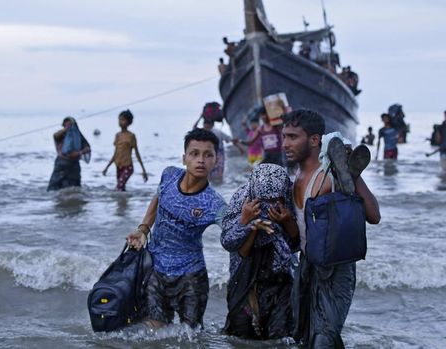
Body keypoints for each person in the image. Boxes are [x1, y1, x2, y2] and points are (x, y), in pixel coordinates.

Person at [282, 109, 380, 348]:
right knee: (304, 337)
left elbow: (374, 215)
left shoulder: (331, 175)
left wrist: (351, 177)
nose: (285, 143)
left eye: (293, 137)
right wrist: (285, 221)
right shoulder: (295, 177)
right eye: (284, 136)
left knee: (323, 339)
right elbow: (302, 236)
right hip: (307, 266)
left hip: (337, 271)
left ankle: (351, 178)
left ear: (314, 140)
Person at [127, 128, 227, 329]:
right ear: (184, 158)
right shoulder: (169, 175)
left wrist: (250, 221)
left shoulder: (216, 205)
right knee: (155, 333)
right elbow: (158, 199)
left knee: (192, 337)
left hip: (191, 278)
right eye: (194, 154)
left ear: (216, 161)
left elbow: (234, 233)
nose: (201, 160)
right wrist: (143, 230)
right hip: (155, 270)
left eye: (208, 155)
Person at [221, 163, 299, 339]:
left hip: (279, 276)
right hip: (245, 275)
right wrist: (246, 222)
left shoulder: (289, 201)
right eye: (264, 200)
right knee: (241, 334)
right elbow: (228, 242)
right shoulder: (242, 200)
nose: (269, 205)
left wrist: (287, 222)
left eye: (274, 200)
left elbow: (298, 245)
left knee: (280, 334)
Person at [102, 110, 148, 191]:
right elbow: (115, 153)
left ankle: (122, 201)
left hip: (128, 166)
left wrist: (143, 170)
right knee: (121, 188)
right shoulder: (117, 135)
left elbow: (137, 153)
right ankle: (123, 203)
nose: (120, 122)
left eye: (123, 120)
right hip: (118, 165)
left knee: (119, 186)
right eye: (119, 119)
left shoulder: (131, 136)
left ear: (129, 122)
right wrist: (107, 167)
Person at [47, 116, 91, 191]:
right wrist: (66, 129)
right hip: (62, 164)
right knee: (55, 186)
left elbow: (87, 148)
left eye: (71, 125)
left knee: (74, 186)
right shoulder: (60, 135)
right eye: (66, 125)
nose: (69, 127)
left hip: (74, 165)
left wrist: (81, 152)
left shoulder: (78, 137)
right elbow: (55, 135)